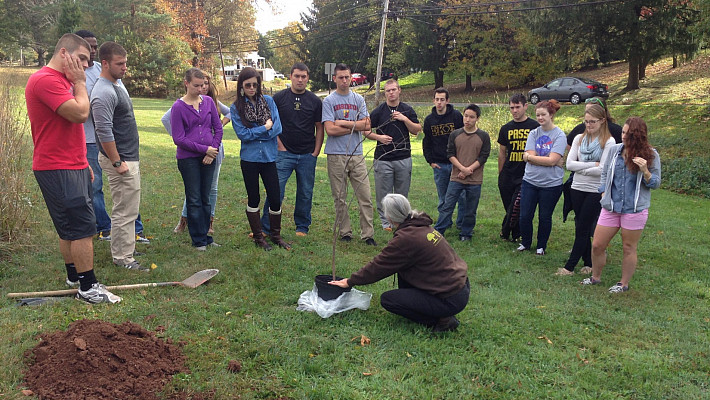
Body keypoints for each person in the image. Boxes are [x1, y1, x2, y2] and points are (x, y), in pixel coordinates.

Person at [25, 33, 121, 303]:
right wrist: (80, 83)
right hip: (57, 166)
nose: (85, 66)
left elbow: (70, 128)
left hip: (71, 164)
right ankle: (88, 288)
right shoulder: (46, 80)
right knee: (81, 229)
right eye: (81, 59)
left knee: (70, 227)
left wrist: (82, 162)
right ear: (64, 53)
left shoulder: (61, 82)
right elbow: (80, 113)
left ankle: (74, 276)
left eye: (88, 62)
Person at [329, 194, 469, 332]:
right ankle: (431, 307)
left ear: (389, 217)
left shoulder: (406, 238)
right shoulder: (420, 225)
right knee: (404, 269)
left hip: (449, 297)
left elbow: (378, 267)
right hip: (459, 286)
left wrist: (351, 281)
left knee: (389, 300)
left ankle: (443, 320)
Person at [74, 30, 148, 244]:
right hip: (91, 140)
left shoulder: (103, 72)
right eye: (89, 47)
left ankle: (134, 232)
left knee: (127, 195)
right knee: (98, 188)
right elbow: (89, 114)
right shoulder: (78, 76)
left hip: (120, 145)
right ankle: (108, 231)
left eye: (95, 46)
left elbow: (119, 103)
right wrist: (116, 159)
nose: (93, 50)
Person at [581, 117, 661, 293]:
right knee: (597, 245)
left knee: (628, 247)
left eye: (628, 134)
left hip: (634, 209)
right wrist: (603, 192)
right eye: (623, 132)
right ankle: (595, 277)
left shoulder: (651, 155)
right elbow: (604, 174)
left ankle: (623, 284)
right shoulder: (615, 151)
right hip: (611, 206)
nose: (623, 136)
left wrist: (645, 171)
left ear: (638, 136)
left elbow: (655, 183)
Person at [91, 41, 148, 271]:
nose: (125, 68)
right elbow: (103, 131)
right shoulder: (103, 92)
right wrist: (117, 162)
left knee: (128, 208)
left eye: (125, 63)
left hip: (126, 156)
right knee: (125, 210)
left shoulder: (116, 83)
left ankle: (125, 248)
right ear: (105, 63)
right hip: (120, 159)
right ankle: (123, 258)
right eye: (120, 63)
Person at [260, 62, 324, 237]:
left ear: (307, 78)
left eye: (303, 77)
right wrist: (280, 146)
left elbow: (319, 127)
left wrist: (316, 151)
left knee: (305, 192)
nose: (300, 80)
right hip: (284, 153)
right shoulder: (279, 98)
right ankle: (266, 227)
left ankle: (302, 226)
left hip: (307, 154)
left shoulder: (315, 101)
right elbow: (271, 124)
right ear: (291, 77)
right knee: (276, 190)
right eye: (297, 76)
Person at [230, 67, 290, 250]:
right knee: (254, 197)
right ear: (241, 86)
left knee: (274, 196)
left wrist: (257, 131)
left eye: (254, 85)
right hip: (249, 159)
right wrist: (264, 129)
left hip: (269, 157)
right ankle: (258, 237)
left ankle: (275, 235)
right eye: (247, 85)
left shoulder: (269, 102)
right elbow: (243, 135)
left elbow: (277, 129)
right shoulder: (236, 108)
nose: (251, 88)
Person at [164, 73, 230, 235]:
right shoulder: (179, 106)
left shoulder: (209, 102)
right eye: (198, 85)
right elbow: (176, 135)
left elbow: (222, 123)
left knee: (208, 193)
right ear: (187, 83)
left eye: (204, 84)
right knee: (194, 196)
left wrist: (212, 150)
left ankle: (207, 229)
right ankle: (194, 232)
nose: (202, 88)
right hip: (190, 156)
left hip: (212, 152)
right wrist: (203, 148)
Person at [556, 104, 616, 276]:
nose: (589, 125)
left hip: (595, 190)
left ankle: (569, 267)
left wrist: (580, 167)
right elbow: (569, 164)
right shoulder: (579, 139)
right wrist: (592, 165)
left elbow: (603, 170)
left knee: (583, 226)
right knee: (580, 224)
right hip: (577, 187)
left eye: (593, 122)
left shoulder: (609, 142)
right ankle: (588, 263)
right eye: (586, 122)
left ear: (602, 121)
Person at [322, 63, 376, 246]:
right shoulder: (329, 101)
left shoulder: (358, 99)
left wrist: (343, 123)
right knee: (340, 197)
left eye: (347, 77)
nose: (344, 81)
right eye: (341, 77)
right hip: (335, 155)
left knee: (365, 196)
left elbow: (367, 125)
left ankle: (368, 234)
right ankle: (345, 232)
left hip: (357, 153)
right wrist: (355, 126)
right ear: (334, 78)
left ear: (351, 77)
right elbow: (330, 130)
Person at [365, 79, 421, 231]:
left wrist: (404, 119)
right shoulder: (379, 111)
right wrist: (379, 138)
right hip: (383, 159)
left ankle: (402, 221)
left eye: (393, 90)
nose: (391, 93)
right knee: (384, 194)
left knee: (402, 194)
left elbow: (416, 130)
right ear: (385, 93)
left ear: (399, 90)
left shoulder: (407, 110)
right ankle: (386, 223)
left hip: (403, 158)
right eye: (388, 91)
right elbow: (365, 130)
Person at [434, 104, 490, 241]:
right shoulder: (455, 134)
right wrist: (462, 169)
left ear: (477, 118)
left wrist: (469, 170)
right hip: (456, 178)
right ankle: (438, 231)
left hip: (474, 180)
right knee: (447, 206)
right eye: (466, 116)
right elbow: (450, 154)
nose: (468, 120)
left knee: (470, 209)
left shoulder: (483, 136)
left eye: (471, 117)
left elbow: (483, 156)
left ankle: (466, 233)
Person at [517, 100, 566, 255]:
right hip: (530, 181)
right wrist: (548, 159)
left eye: (543, 114)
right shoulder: (533, 133)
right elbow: (551, 160)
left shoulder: (559, 135)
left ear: (551, 115)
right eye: (537, 115)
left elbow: (551, 160)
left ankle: (541, 247)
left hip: (551, 185)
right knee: (525, 215)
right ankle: (525, 243)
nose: (540, 117)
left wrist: (531, 158)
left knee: (544, 217)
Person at [422, 88, 466, 231]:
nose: (439, 102)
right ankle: (445, 223)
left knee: (462, 196)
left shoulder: (456, 116)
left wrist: (462, 163)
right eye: (437, 99)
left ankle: (462, 224)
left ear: (447, 100)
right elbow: (426, 141)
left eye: (442, 99)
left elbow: (463, 139)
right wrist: (431, 161)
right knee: (443, 198)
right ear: (433, 100)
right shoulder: (429, 120)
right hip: (440, 164)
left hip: (457, 164)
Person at [497, 93, 539, 242]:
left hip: (526, 174)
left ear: (525, 106)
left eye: (517, 107)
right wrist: (501, 174)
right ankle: (516, 234)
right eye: (511, 108)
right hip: (508, 173)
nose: (514, 111)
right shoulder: (505, 128)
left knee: (516, 205)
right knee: (510, 206)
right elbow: (502, 153)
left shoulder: (535, 127)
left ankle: (505, 231)